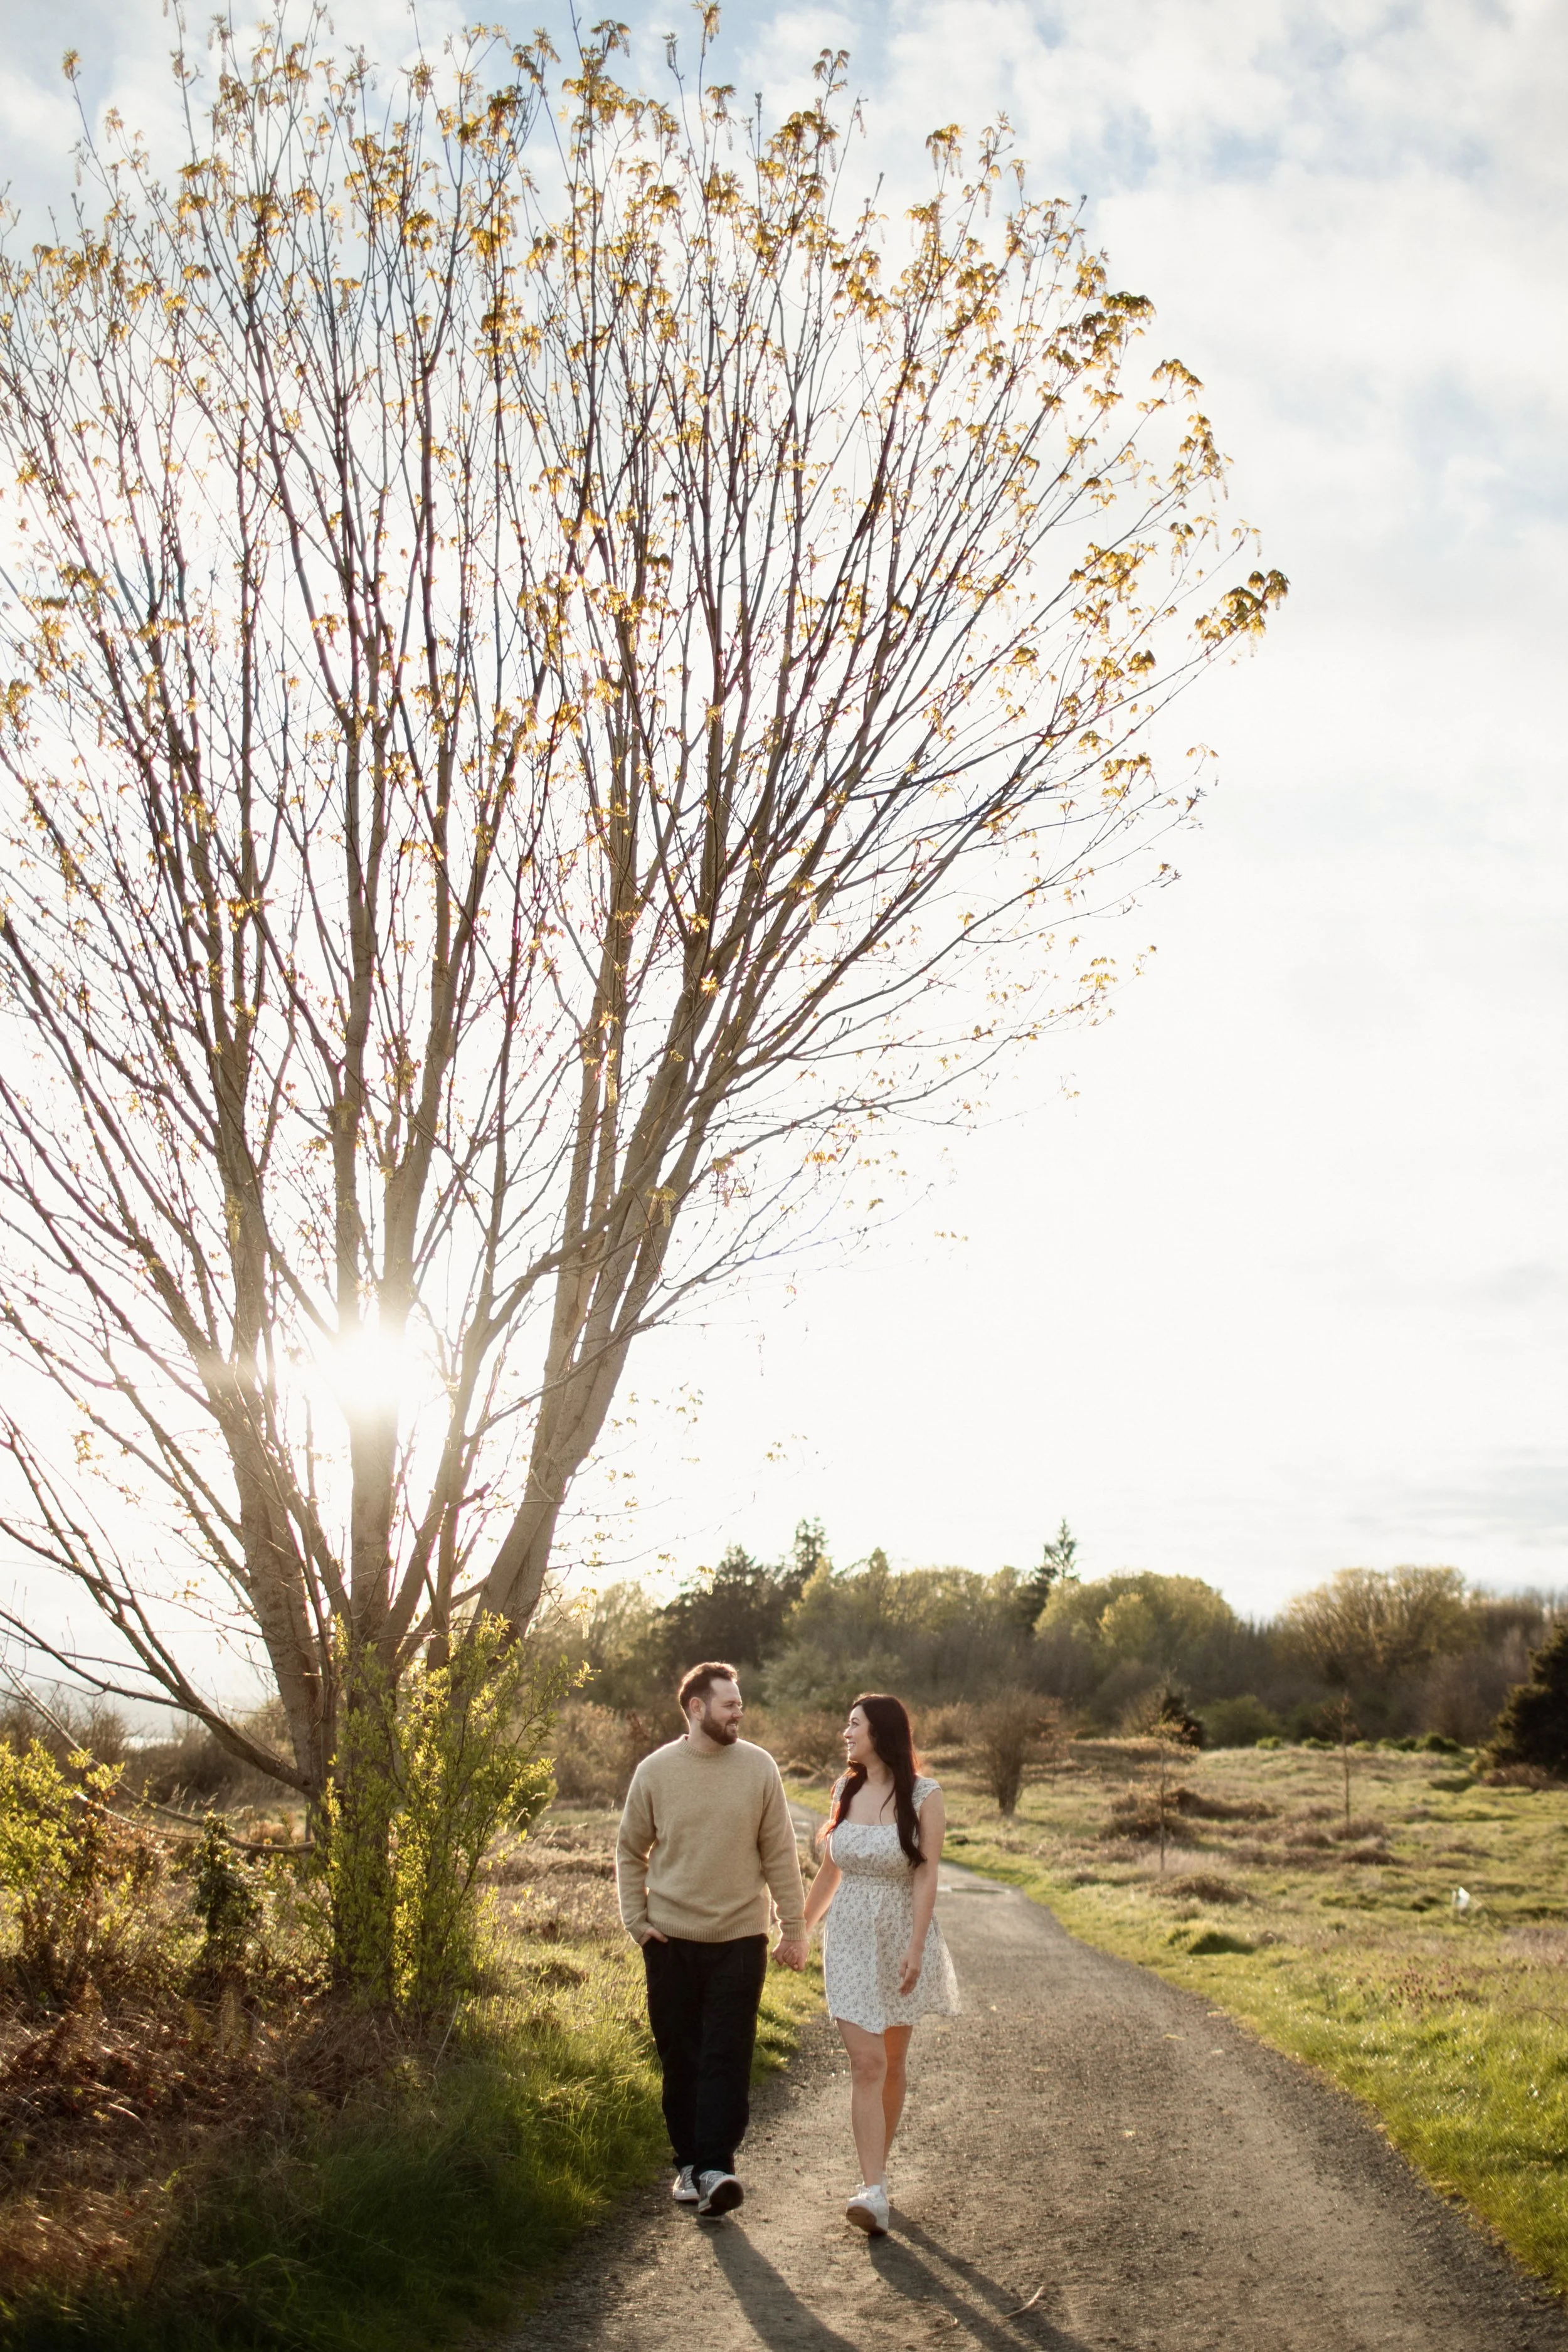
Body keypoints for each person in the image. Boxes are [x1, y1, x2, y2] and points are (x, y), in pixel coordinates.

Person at [616, 1660, 807, 2219]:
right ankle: (689, 2166)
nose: (738, 1714)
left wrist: (793, 1927)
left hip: (740, 1938)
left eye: (740, 1705)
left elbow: (780, 1852)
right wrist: (636, 1921)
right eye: (729, 1705)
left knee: (727, 2053)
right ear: (696, 1708)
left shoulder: (759, 1767)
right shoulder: (655, 1772)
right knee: (681, 2057)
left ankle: (717, 2168)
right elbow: (630, 1850)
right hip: (670, 1940)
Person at [801, 1692, 959, 2237]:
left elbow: (926, 1874)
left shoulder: (925, 1795)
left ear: (881, 1733)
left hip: (898, 1937)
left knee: (891, 2060)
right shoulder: (844, 1790)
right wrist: (799, 1929)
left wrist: (917, 1947)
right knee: (867, 2063)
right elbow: (830, 1873)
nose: (846, 1734)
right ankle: (872, 2189)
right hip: (848, 1938)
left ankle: (877, 2177)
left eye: (854, 1725)